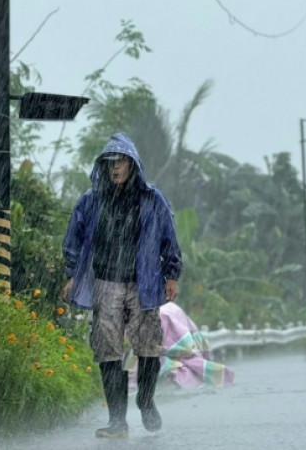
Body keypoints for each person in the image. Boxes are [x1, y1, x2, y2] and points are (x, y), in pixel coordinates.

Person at [61, 133, 182, 439]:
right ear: (103, 166)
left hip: (144, 282)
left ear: (132, 164)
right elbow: (73, 239)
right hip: (105, 282)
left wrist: (172, 273)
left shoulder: (152, 199)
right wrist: (72, 274)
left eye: (121, 161)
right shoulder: (91, 201)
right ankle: (117, 421)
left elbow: (169, 236)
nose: (115, 167)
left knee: (149, 345)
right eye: (110, 162)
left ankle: (145, 400)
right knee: (108, 350)